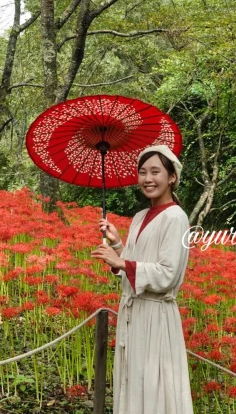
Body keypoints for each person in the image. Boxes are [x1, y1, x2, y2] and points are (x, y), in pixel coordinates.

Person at [90, 144, 193, 414]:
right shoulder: (139, 217)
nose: (148, 179)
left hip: (156, 319)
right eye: (142, 172)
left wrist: (122, 261)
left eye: (156, 171)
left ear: (172, 177)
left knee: (156, 387)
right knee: (134, 383)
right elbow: (135, 263)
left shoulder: (176, 217)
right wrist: (117, 245)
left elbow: (167, 274)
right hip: (134, 316)